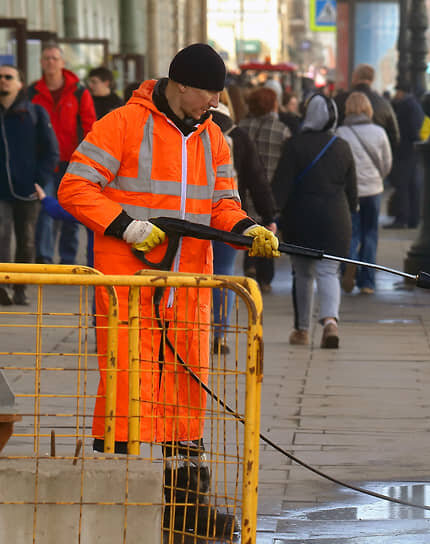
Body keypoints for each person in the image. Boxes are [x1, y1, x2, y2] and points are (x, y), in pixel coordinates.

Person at [57, 43, 280, 539]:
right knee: (125, 390)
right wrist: (126, 226)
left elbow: (222, 203)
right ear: (181, 86)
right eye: (208, 93)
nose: (215, 103)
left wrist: (246, 227)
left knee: (186, 395)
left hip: (190, 288)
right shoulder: (121, 125)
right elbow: (74, 186)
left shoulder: (215, 139)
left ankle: (186, 507)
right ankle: (112, 499)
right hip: (128, 288)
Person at [273, 94, 357, 348]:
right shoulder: (342, 146)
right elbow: (352, 190)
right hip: (336, 219)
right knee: (329, 271)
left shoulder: (294, 145)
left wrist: (272, 215)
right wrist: (351, 210)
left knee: (302, 273)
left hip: (301, 218)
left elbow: (281, 187)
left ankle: (302, 330)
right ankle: (330, 321)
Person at [209, 96, 277, 354]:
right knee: (224, 274)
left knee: (190, 275)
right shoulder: (238, 135)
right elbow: (257, 179)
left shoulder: (187, 129)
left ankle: (190, 328)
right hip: (229, 215)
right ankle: (220, 333)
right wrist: (268, 216)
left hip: (190, 216)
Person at [28, 43, 96, 265]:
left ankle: (68, 260)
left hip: (73, 162)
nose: (50, 62)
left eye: (54, 58)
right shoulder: (32, 92)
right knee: (45, 211)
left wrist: (87, 161)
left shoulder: (79, 91)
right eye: (46, 58)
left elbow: (89, 127)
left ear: (62, 62)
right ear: (41, 62)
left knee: (73, 213)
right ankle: (44, 258)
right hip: (44, 162)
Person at [0, 64, 59, 306]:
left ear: (19, 83)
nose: (3, 80)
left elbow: (51, 151)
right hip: (1, 190)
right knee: (1, 236)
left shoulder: (34, 113)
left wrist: (39, 180)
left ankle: (21, 287)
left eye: (8, 77)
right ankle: (2, 286)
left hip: (27, 189)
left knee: (26, 239)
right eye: (0, 77)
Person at [335, 92, 392, 295]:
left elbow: (338, 163)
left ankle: (349, 267)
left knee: (352, 233)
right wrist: (378, 178)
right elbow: (387, 163)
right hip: (373, 190)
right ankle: (367, 281)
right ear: (369, 109)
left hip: (350, 192)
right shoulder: (379, 132)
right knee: (370, 234)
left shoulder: (340, 132)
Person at [238, 86, 291, 293]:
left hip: (244, 190)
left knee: (246, 230)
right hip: (269, 190)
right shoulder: (282, 130)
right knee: (268, 234)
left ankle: (249, 266)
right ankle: (265, 278)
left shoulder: (241, 127)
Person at [385, 83, 425, 229]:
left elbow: (413, 130)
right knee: (412, 186)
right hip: (410, 152)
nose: (396, 94)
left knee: (403, 185)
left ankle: (402, 218)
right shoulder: (412, 105)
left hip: (405, 152)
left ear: (402, 92)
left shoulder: (407, 106)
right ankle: (412, 218)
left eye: (397, 91)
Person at [334, 64, 400, 149]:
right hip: (375, 155)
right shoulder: (384, 103)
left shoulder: (339, 99)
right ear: (372, 79)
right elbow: (394, 137)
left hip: (344, 154)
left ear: (355, 77)